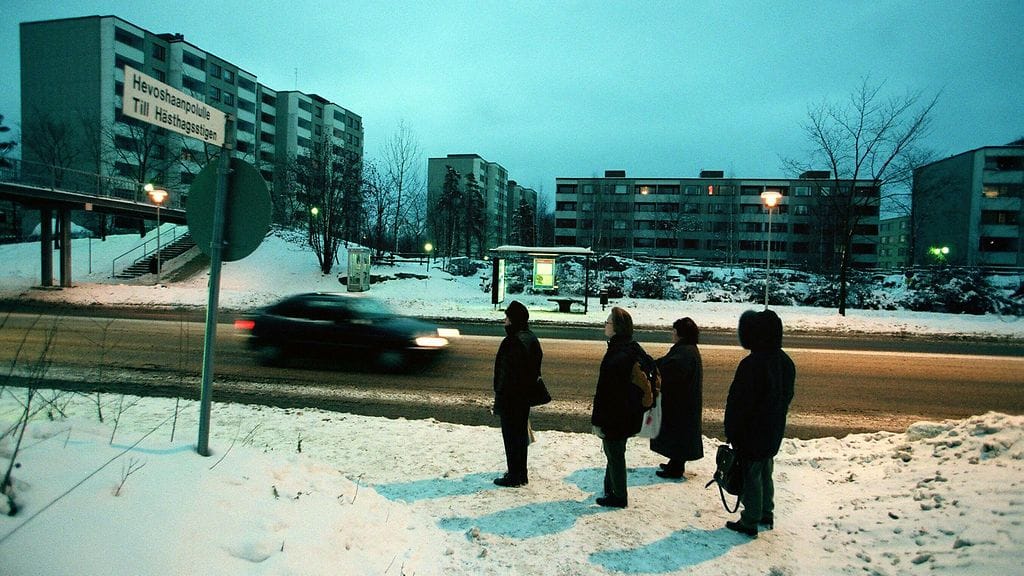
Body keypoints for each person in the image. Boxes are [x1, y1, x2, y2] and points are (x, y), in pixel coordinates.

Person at [723, 309, 796, 537]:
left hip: (751, 431)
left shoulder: (752, 363)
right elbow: (787, 396)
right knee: (765, 469)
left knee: (751, 474)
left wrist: (733, 430)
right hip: (772, 428)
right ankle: (766, 512)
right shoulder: (785, 361)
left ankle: (750, 520)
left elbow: (739, 403)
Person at [591, 306, 657, 508]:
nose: (605, 325)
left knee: (615, 454)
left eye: (608, 322)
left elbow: (606, 393)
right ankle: (611, 489)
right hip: (630, 413)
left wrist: (597, 420)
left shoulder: (617, 355)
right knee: (615, 452)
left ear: (616, 327)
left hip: (616, 416)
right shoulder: (633, 347)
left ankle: (619, 496)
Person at [492, 300, 543, 487]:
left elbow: (506, 375)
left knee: (511, 436)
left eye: (506, 318)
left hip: (511, 398)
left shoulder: (512, 342)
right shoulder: (530, 337)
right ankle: (521, 473)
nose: (504, 321)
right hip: (524, 397)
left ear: (513, 320)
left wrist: (499, 397)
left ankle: (514, 475)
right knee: (520, 435)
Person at [651, 317, 704, 479]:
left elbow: (671, 371)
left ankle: (676, 468)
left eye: (674, 331)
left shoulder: (685, 351)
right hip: (684, 402)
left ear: (680, 333)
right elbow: (668, 362)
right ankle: (674, 463)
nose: (672, 334)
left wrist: (656, 370)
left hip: (681, 403)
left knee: (678, 434)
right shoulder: (686, 348)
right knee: (679, 434)